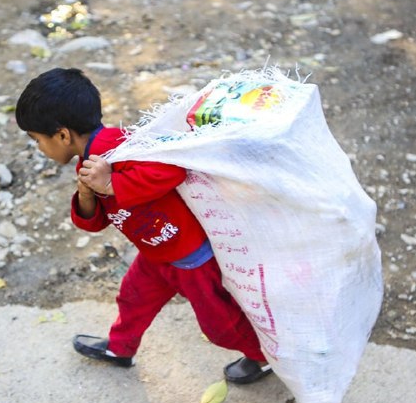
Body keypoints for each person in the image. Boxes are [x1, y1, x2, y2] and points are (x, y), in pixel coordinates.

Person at [15, 67, 271, 384]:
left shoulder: (119, 146)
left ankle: (264, 357)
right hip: (154, 254)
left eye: (37, 140)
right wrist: (87, 195)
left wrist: (111, 184)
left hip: (192, 259)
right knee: (133, 298)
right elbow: (95, 223)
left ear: (63, 135)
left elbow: (170, 171)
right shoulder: (89, 162)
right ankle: (120, 349)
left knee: (221, 326)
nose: (39, 147)